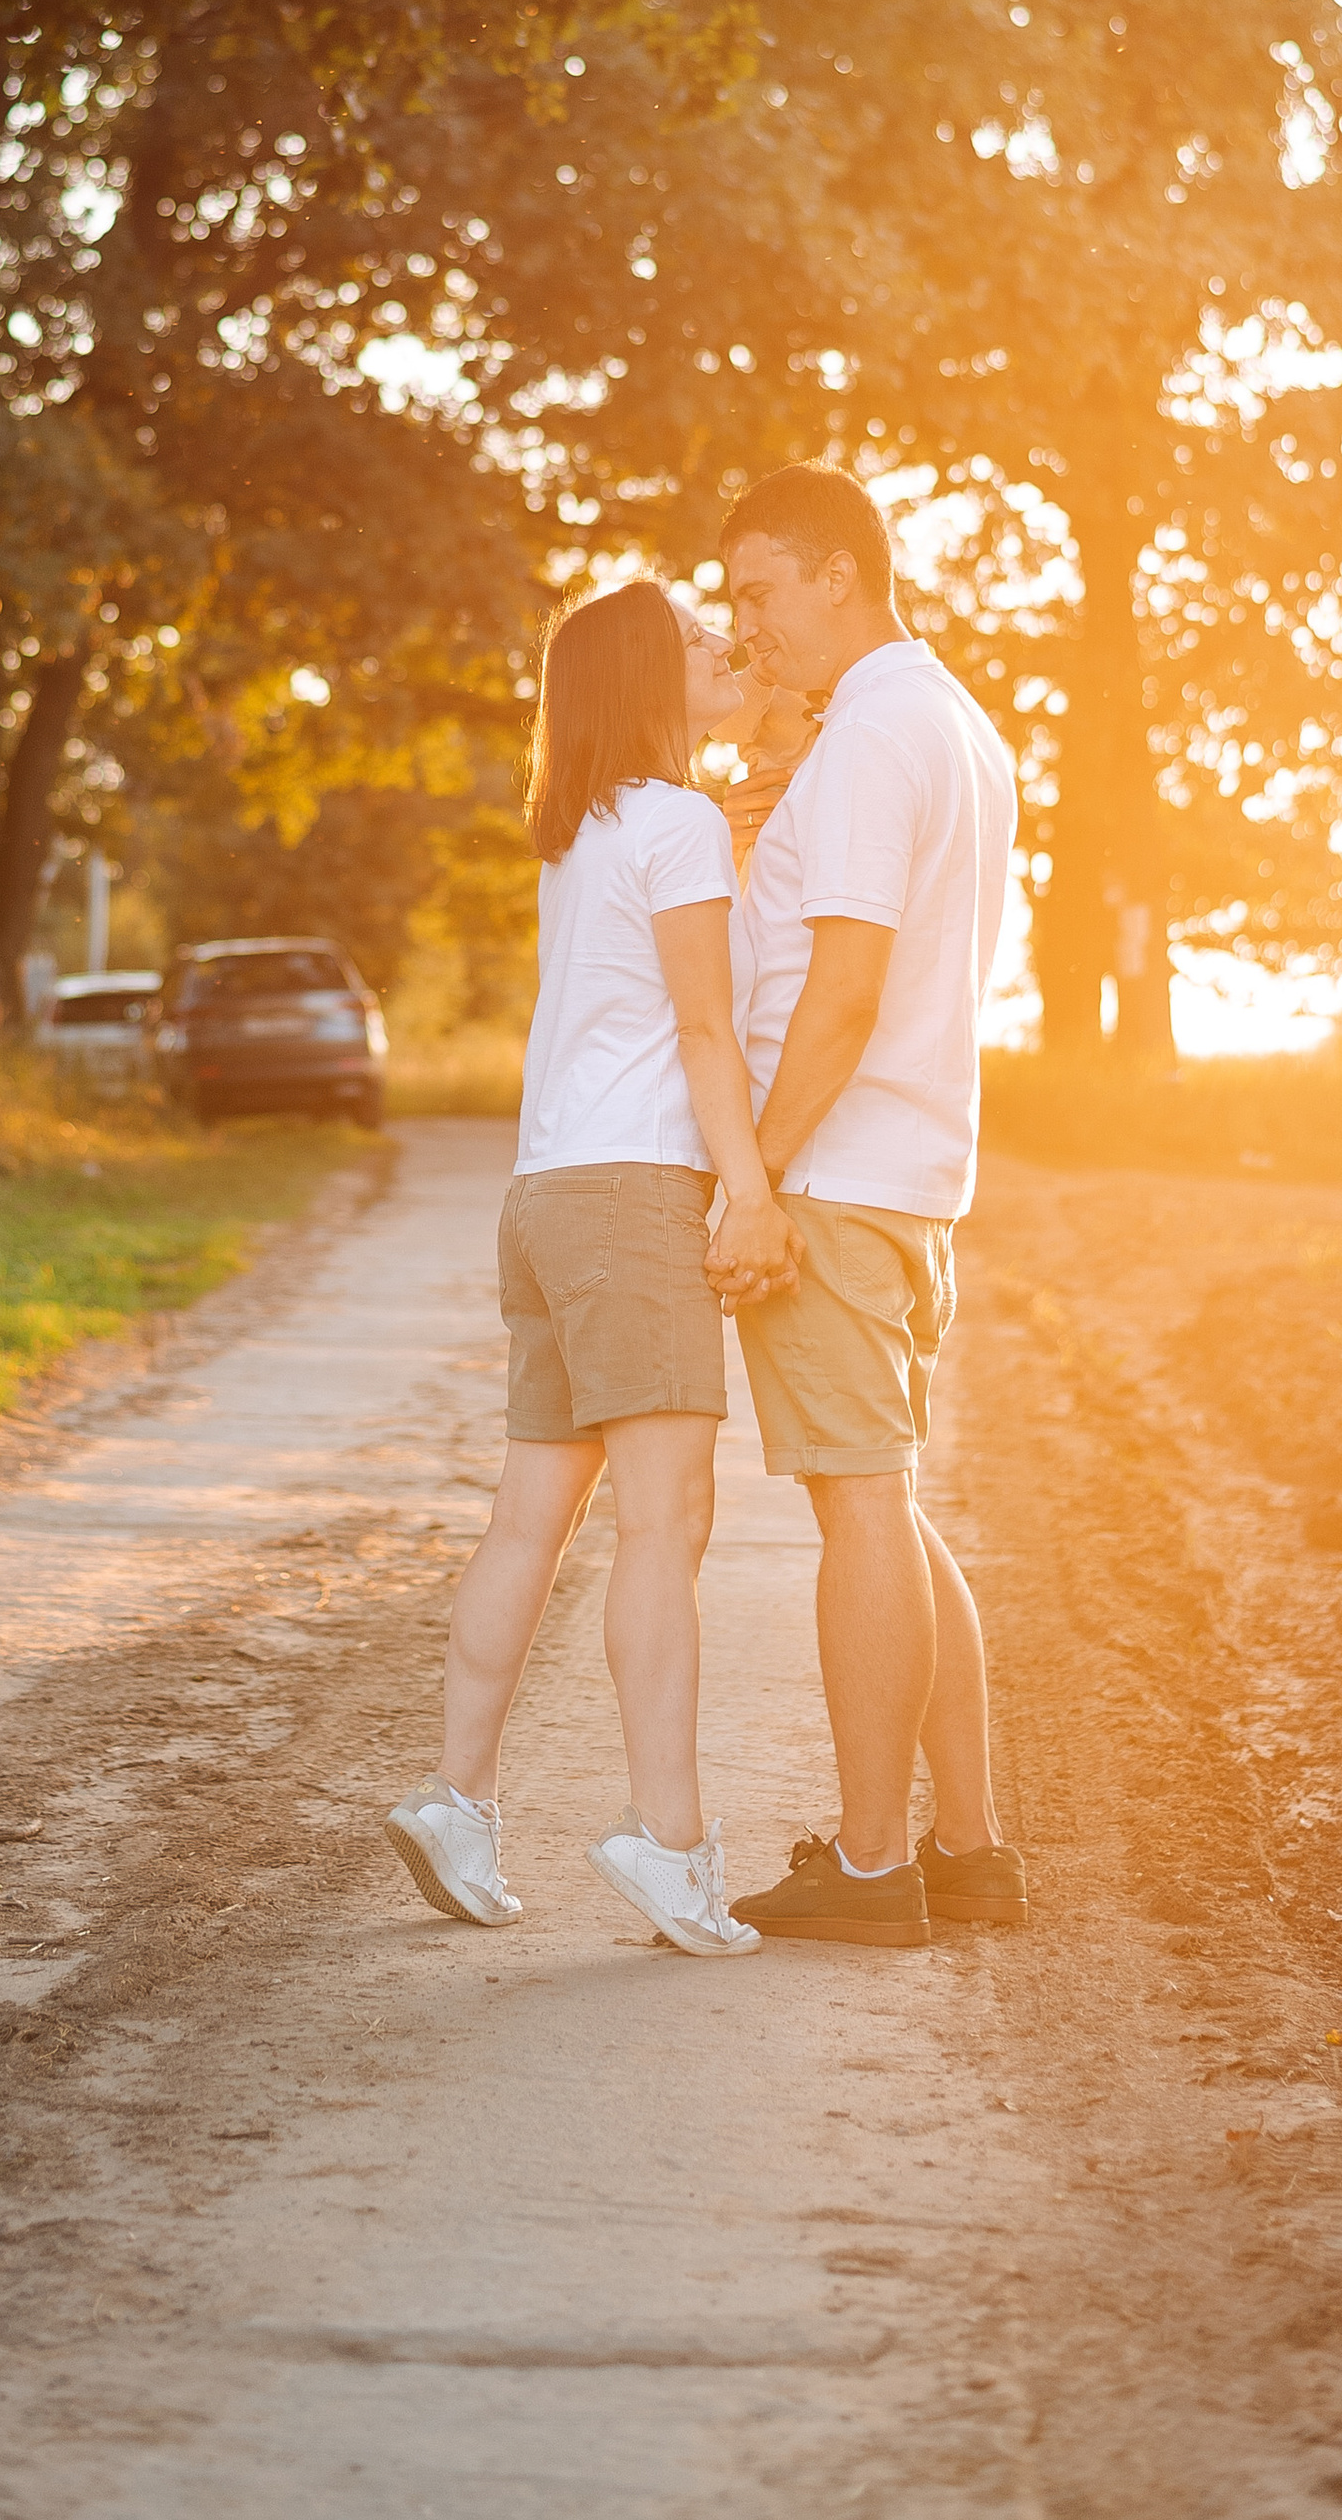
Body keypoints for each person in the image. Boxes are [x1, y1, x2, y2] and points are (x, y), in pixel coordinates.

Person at [385, 578, 798, 1955]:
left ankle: (459, 1800)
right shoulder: (673, 824)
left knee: (532, 1520)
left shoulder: (594, 825)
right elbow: (700, 1028)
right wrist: (746, 1184)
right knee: (666, 1523)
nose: (725, 643)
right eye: (695, 633)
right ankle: (671, 1844)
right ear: (643, 675)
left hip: (545, 1189)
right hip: (632, 1197)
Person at [710, 463, 1030, 1947]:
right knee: (889, 1503)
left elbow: (839, 996)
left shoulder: (870, 743)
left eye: (760, 589)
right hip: (906, 1174)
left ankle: (870, 1860)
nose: (744, 623)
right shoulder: (949, 722)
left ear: (841, 573)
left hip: (835, 1176)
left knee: (859, 1511)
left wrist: (753, 1177)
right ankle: (964, 1850)